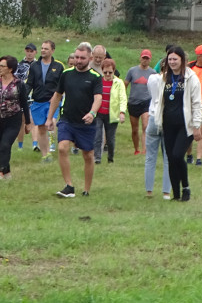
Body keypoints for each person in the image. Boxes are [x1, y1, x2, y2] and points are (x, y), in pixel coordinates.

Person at [47, 42, 102, 197]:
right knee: (63, 147)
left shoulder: (95, 77)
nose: (78, 60)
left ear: (90, 58)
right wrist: (50, 117)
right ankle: (69, 186)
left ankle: (86, 189)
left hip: (86, 123)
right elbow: (57, 96)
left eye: (82, 58)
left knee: (88, 155)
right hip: (67, 119)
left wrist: (92, 113)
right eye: (77, 57)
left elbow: (98, 98)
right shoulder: (66, 74)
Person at [154, 46, 202, 202]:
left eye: (175, 59)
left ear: (182, 60)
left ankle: (186, 187)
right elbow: (159, 100)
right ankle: (175, 193)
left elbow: (196, 103)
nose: (172, 62)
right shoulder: (164, 78)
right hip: (168, 124)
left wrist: (196, 125)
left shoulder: (190, 78)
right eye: (170, 59)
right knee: (170, 158)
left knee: (177, 155)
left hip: (185, 124)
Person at [0, 56, 32, 179]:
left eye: (2, 66)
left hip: (13, 119)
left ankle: (0, 172)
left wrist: (28, 123)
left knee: (5, 145)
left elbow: (24, 103)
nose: (0, 68)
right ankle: (7, 171)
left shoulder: (19, 84)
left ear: (10, 69)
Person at [25, 40, 64, 164]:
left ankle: (51, 147)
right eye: (42, 48)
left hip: (52, 101)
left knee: (51, 122)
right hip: (38, 101)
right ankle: (45, 154)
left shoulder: (58, 66)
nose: (43, 50)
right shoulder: (34, 66)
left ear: (52, 50)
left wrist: (58, 96)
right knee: (41, 128)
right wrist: (22, 97)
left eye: (46, 49)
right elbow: (29, 84)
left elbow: (62, 85)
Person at [143, 70, 171, 199]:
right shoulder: (174, 81)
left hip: (153, 117)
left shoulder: (152, 79)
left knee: (150, 157)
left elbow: (150, 91)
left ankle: (149, 191)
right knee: (168, 158)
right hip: (167, 118)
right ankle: (166, 192)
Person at [94, 58, 127, 164]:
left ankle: (110, 158)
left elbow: (123, 98)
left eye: (110, 72)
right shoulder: (98, 81)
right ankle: (97, 158)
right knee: (97, 136)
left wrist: (122, 112)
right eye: (105, 72)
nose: (107, 74)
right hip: (99, 113)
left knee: (110, 139)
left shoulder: (119, 83)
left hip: (112, 114)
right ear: (102, 71)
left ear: (114, 71)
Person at [124, 49, 155, 155]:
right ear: (140, 58)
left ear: (150, 60)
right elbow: (125, 84)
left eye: (147, 58)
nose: (145, 60)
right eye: (143, 58)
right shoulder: (132, 71)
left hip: (146, 102)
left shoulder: (152, 73)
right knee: (135, 129)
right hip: (133, 102)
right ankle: (136, 149)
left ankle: (145, 150)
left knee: (145, 126)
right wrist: (123, 98)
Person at [14, 43, 38, 149]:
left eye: (31, 51)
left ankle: (35, 144)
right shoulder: (19, 65)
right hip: (22, 95)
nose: (29, 53)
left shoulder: (38, 65)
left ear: (35, 52)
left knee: (33, 120)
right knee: (22, 121)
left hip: (34, 95)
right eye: (27, 51)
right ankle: (20, 146)